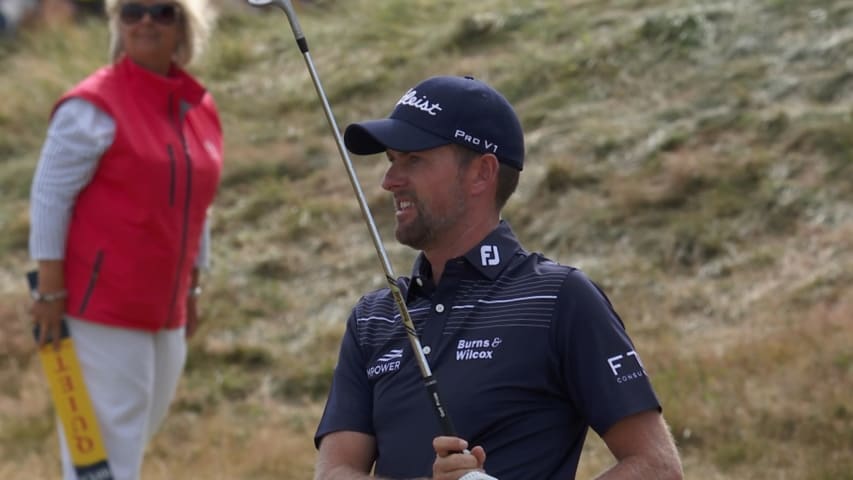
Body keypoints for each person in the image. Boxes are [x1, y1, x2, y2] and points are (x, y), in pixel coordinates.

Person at [313, 75, 683, 479]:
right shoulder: (374, 317)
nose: (389, 181)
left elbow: (656, 466)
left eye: (413, 160)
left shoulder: (559, 299)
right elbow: (335, 471)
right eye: (391, 161)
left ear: (481, 174)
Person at [27, 0, 222, 478]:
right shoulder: (90, 107)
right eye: (132, 11)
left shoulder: (198, 106)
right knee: (103, 460)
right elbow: (49, 197)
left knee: (128, 443)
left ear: (185, 24)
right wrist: (49, 291)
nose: (146, 21)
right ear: (118, 23)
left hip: (166, 307)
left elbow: (199, 203)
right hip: (101, 308)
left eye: (162, 11)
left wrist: (193, 286)